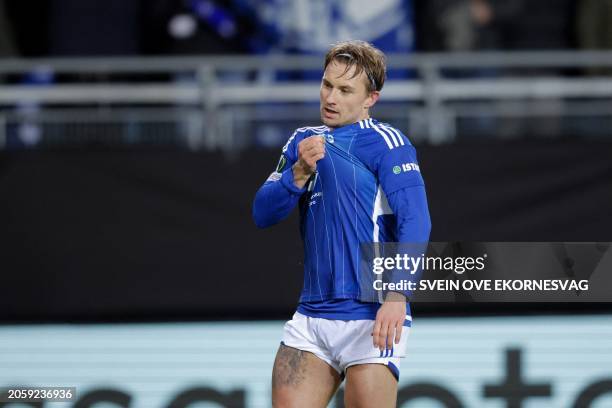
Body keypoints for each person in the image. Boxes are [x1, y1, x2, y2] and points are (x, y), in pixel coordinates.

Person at [252, 40, 431, 407]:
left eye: (345, 90)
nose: (330, 97)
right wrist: (298, 172)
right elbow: (262, 214)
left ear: (371, 98)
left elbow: (417, 221)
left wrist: (398, 296)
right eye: (327, 85)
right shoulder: (302, 141)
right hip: (311, 319)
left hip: (372, 315)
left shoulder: (388, 143)